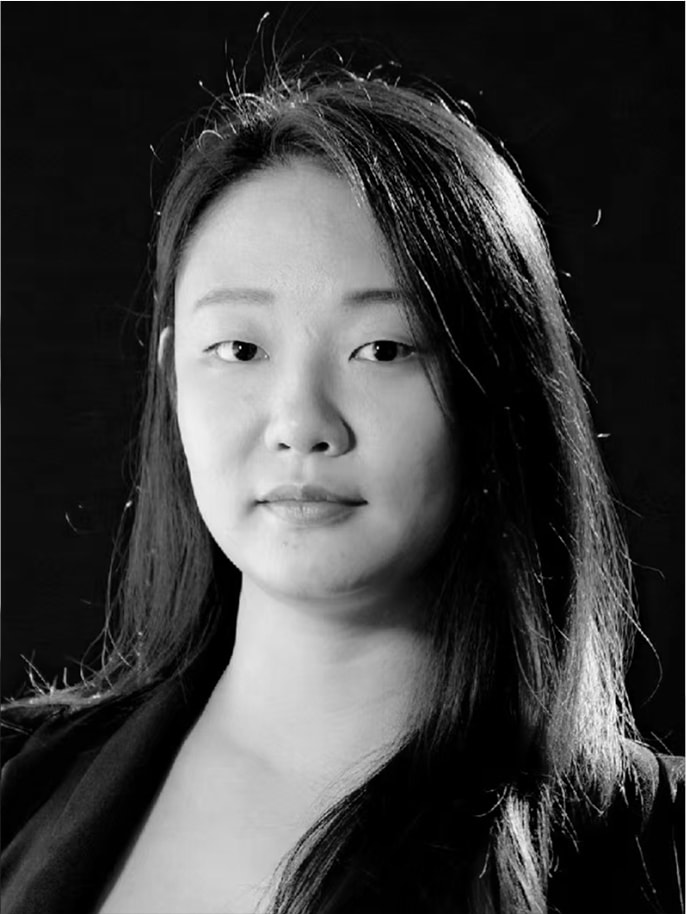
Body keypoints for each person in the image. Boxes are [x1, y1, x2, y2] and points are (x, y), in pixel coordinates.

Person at [1, 66, 683, 914]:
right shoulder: (19, 780)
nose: (301, 423)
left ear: (497, 384)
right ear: (173, 377)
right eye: (240, 350)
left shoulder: (658, 852)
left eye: (383, 349)